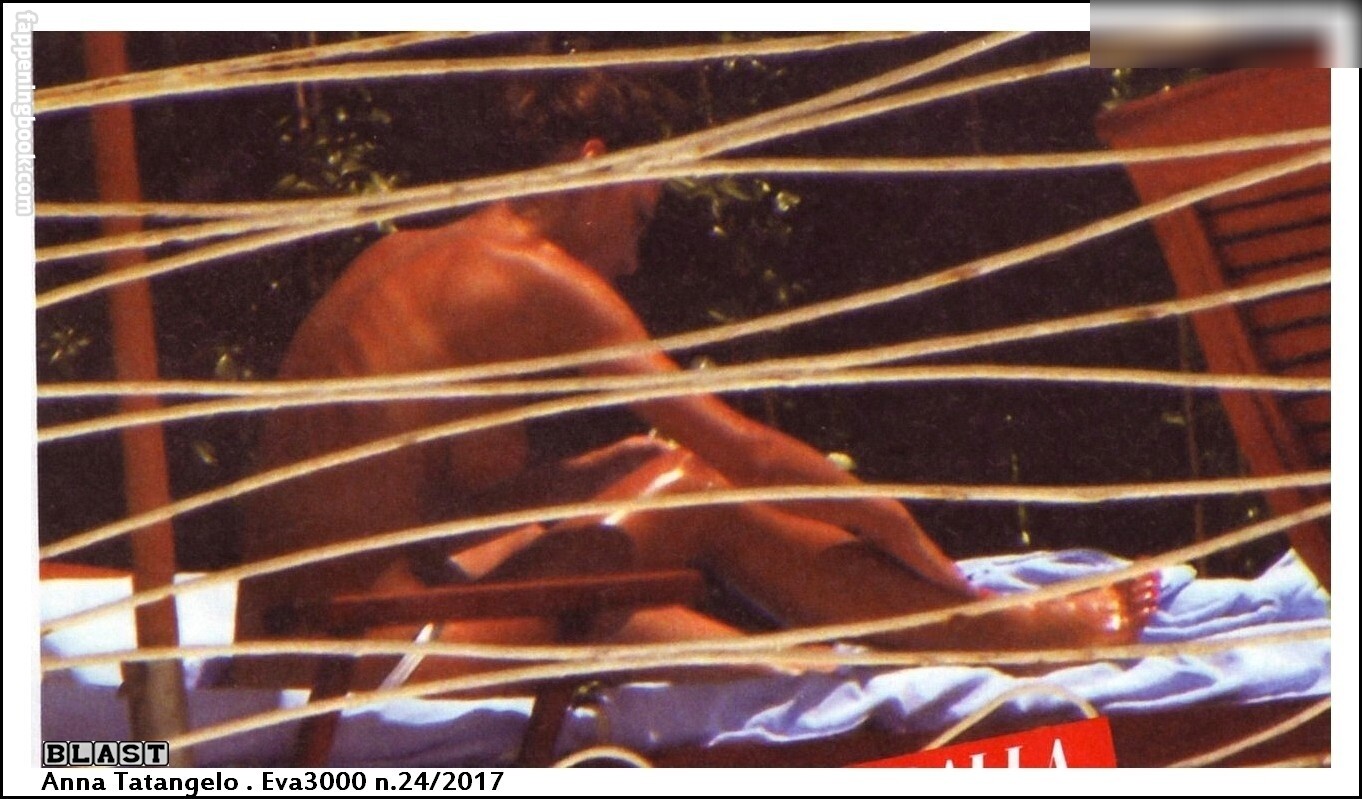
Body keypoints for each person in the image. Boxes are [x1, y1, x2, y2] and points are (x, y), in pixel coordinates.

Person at [233, 72, 1157, 690]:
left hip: (302, 648)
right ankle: (995, 635)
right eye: (640, 217)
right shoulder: (532, 274)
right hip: (362, 665)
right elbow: (745, 453)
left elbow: (454, 521)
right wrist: (922, 553)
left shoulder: (407, 255)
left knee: (633, 471)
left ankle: (830, 674)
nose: (632, 262)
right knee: (688, 482)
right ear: (597, 166)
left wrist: (606, 474)